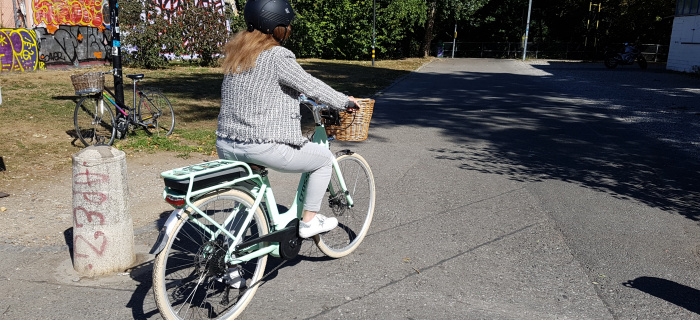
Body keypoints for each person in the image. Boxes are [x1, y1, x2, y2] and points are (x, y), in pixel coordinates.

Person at [216, 0, 360, 238]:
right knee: (323, 159)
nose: (289, 30)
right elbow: (310, 85)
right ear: (276, 27)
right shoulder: (277, 56)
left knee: (245, 201)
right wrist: (344, 101)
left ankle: (229, 266)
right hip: (261, 146)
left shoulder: (238, 54)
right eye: (287, 25)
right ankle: (309, 222)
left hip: (226, 145)